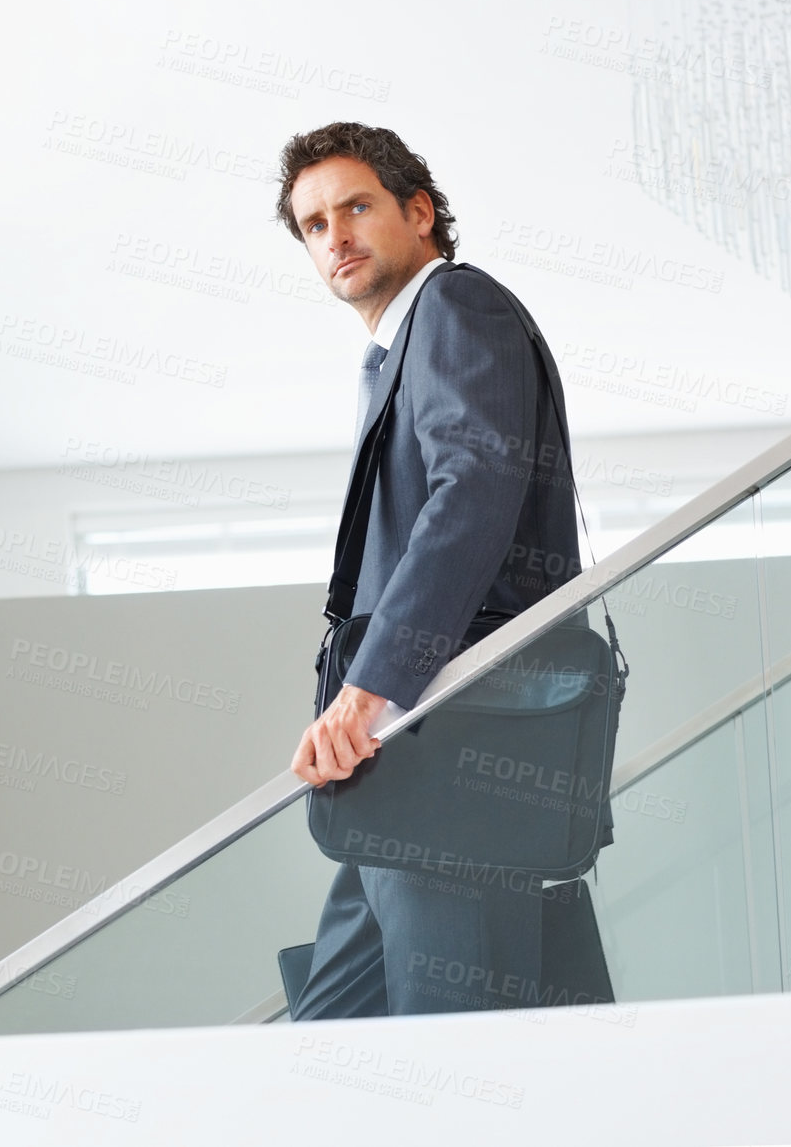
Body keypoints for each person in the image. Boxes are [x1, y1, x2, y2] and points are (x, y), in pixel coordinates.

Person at [275, 122, 597, 1018]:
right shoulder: (392, 357)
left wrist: (369, 688)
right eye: (311, 225)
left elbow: (474, 491)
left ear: (419, 214)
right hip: (401, 779)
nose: (332, 235)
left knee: (454, 1060)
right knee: (330, 1032)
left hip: (454, 753)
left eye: (355, 207)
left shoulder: (455, 307)